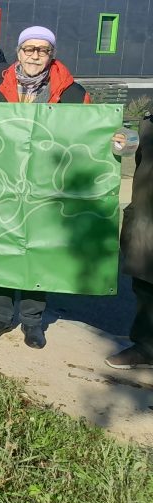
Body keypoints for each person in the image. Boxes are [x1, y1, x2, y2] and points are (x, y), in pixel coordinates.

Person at [0, 25, 91, 350]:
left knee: (36, 250)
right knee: (1, 247)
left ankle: (32, 321)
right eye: (29, 49)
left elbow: (89, 133)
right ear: (19, 52)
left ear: (51, 54)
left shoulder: (72, 92)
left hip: (48, 184)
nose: (35, 55)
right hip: (5, 180)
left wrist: (114, 136)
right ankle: (0, 315)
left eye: (42, 50)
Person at [106, 110, 153, 369]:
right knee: (144, 284)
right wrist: (126, 139)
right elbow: (135, 148)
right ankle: (146, 345)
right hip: (145, 214)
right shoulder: (149, 121)